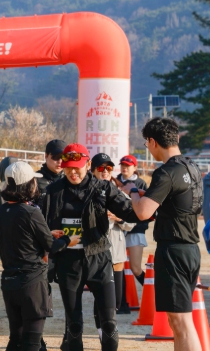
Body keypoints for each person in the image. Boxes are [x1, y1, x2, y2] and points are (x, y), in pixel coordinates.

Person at [45, 143, 142, 351]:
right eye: (68, 168)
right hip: (68, 263)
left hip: (99, 259)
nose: (73, 172)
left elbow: (130, 212)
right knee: (74, 323)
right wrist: (49, 236)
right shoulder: (53, 191)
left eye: (77, 167)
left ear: (88, 165)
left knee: (109, 321)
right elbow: (40, 225)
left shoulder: (103, 188)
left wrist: (152, 207)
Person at [127, 117, 203, 351]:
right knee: (179, 321)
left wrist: (133, 192)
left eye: (147, 143)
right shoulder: (192, 167)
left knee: (181, 322)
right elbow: (179, 203)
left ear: (152, 141)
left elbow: (142, 212)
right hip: (190, 250)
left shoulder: (166, 172)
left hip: (173, 251)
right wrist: (149, 196)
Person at [0, 161, 79, 351]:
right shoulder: (31, 212)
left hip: (9, 281)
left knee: (16, 339)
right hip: (31, 282)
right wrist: (68, 240)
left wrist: (46, 232)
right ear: (28, 185)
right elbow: (51, 246)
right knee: (32, 341)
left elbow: (19, 236)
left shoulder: (2, 211)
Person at [90, 153, 135, 321]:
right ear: (92, 170)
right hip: (95, 250)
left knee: (115, 299)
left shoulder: (119, 193)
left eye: (109, 168)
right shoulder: (85, 193)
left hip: (116, 251)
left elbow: (131, 222)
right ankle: (102, 330)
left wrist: (119, 218)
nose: (105, 171)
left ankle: (108, 327)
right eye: (101, 168)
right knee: (100, 296)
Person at [115, 154, 149, 286]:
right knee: (117, 268)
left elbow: (146, 207)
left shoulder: (141, 183)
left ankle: (152, 291)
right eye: (123, 165)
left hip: (135, 229)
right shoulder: (114, 181)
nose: (124, 168)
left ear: (134, 167)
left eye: (128, 166)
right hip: (117, 229)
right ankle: (122, 299)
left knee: (135, 268)